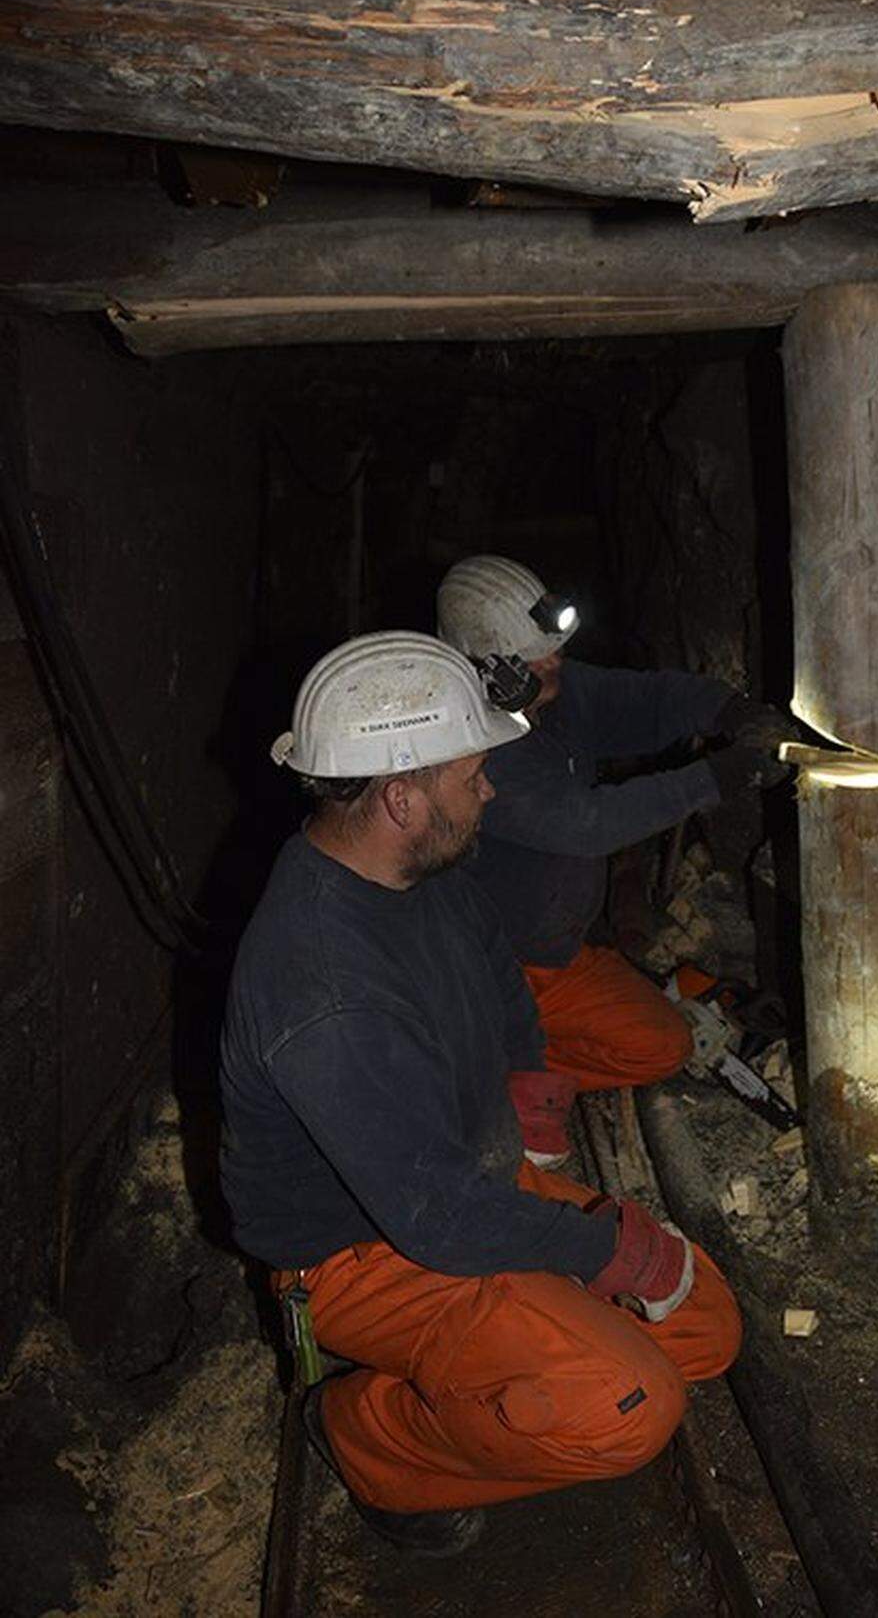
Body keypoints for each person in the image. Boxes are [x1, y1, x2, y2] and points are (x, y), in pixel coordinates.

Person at [220, 631, 741, 1557]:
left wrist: (532, 1094)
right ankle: (366, 1434)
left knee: (707, 1329)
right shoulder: (324, 989)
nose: (491, 790)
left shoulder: (414, 869)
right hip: (363, 1252)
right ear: (400, 796)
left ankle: (517, 1351)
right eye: (473, 775)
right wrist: (607, 1251)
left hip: (461, 1181)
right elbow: (436, 1218)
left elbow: (499, 970)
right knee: (633, 1404)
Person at [436, 555, 795, 1093]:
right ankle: (488, 1065)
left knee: (664, 1037)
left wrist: (729, 711)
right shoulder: (472, 751)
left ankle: (501, 1048)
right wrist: (719, 777)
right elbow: (587, 825)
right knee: (650, 1050)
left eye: (554, 647)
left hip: (558, 950)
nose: (554, 662)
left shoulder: (547, 689)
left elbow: (641, 702)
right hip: (497, 966)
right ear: (484, 669)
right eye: (534, 658)